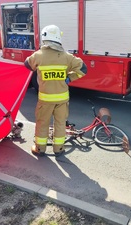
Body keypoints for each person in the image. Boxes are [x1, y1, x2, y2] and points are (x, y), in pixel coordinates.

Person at [24, 25, 87, 157]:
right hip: (62, 99)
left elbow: (27, 64)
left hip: (46, 99)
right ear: (59, 38)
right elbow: (83, 69)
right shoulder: (67, 57)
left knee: (42, 123)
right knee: (60, 124)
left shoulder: (39, 55)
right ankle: (58, 149)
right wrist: (70, 77)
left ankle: (40, 149)